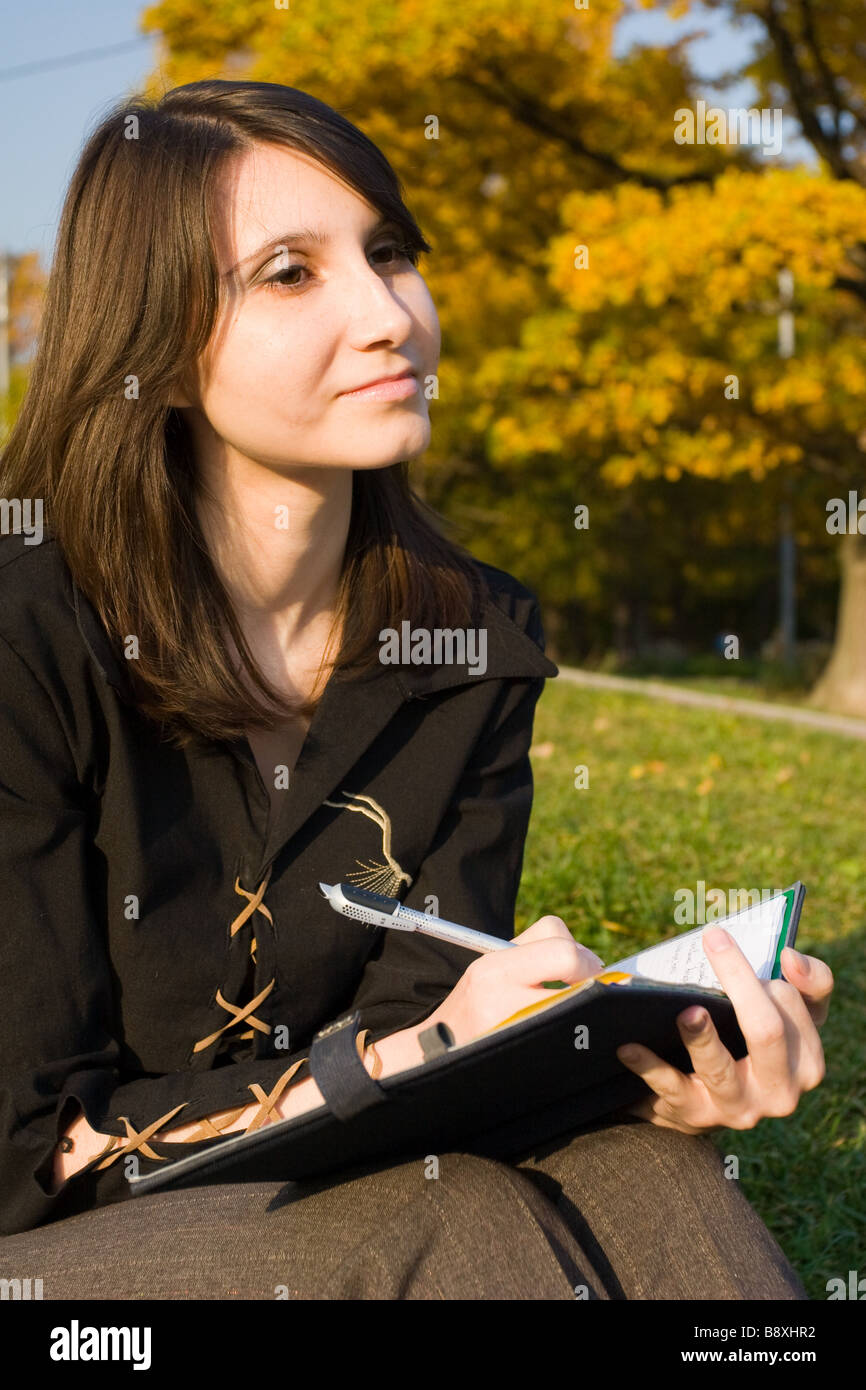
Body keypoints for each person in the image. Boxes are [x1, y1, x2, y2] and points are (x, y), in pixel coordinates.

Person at [0, 80, 830, 1299]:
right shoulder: (27, 633)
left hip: (322, 1181)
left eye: (388, 253)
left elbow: (421, 1056)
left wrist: (640, 1069)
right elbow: (32, 1148)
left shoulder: (473, 641)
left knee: (646, 1176)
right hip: (48, 1254)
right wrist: (412, 1054)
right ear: (156, 348)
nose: (388, 312)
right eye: (290, 272)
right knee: (448, 1224)